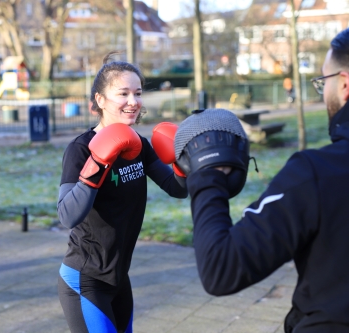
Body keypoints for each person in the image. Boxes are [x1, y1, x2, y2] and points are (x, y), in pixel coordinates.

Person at [177, 28, 349, 332]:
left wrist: (207, 174)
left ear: (345, 84)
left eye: (324, 82)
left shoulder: (316, 174)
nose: (324, 92)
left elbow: (221, 268)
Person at [57, 52, 188, 333]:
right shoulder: (81, 149)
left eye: (138, 93)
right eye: (123, 93)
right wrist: (98, 163)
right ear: (100, 100)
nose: (133, 101)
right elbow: (67, 215)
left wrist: (183, 161)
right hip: (85, 279)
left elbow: (177, 189)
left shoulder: (138, 145)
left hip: (119, 279)